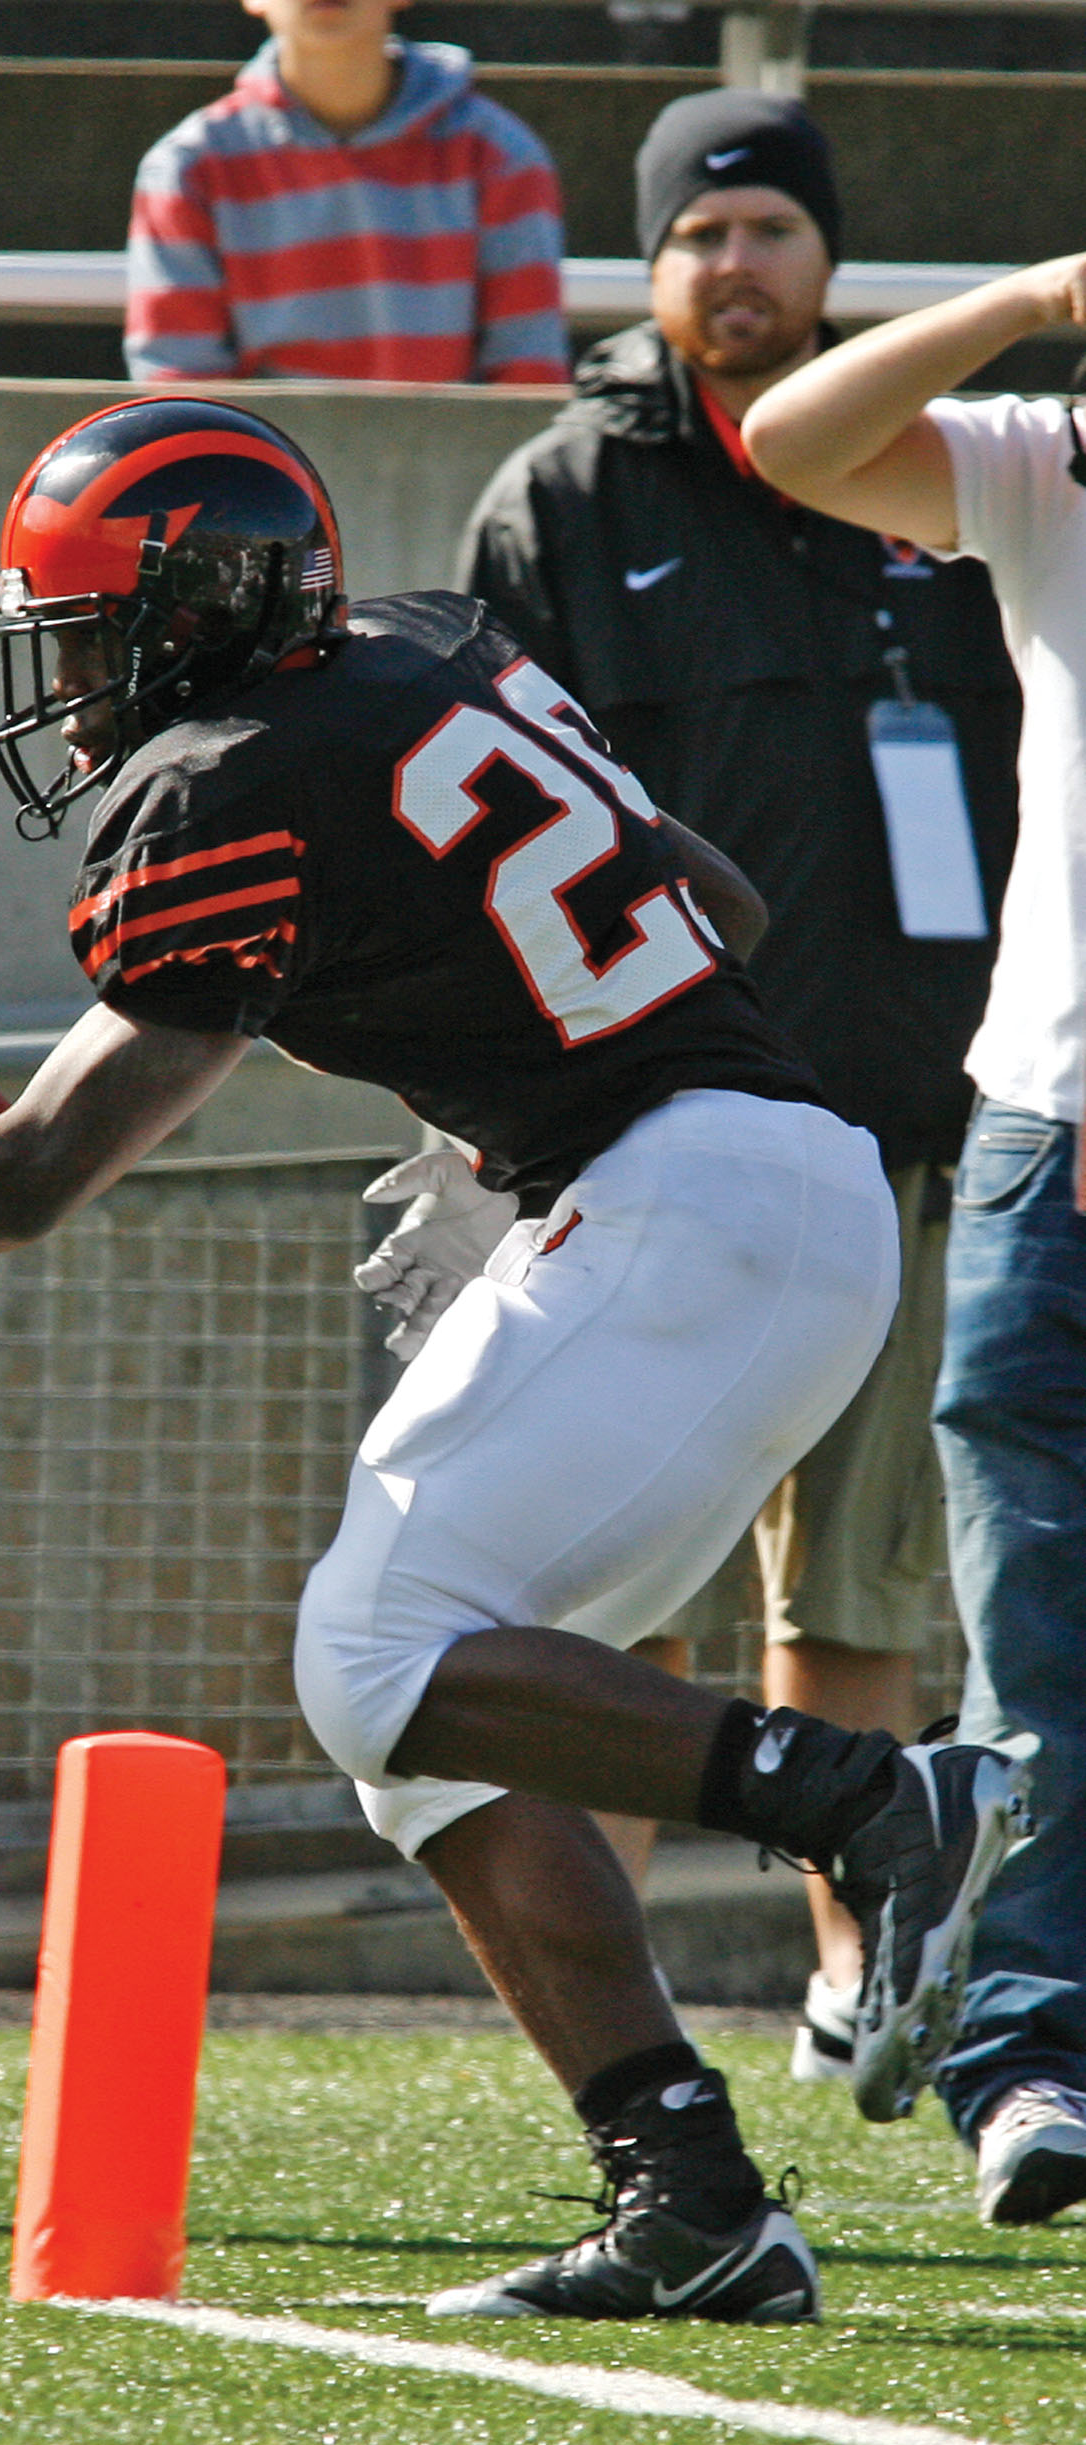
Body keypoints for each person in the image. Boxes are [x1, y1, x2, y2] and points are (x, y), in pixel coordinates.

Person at [0, 394, 1030, 2320]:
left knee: (378, 1653)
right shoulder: (420, 648)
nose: (65, 686)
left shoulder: (230, 778)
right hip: (756, 1196)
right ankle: (691, 2200)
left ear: (192, 612)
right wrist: (505, 1105)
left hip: (693, 1208)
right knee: (420, 1722)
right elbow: (717, 902)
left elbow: (35, 1170)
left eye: (85, 630)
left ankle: (876, 1804)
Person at [460, 90, 1020, 2084]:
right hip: (647, 1143)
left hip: (907, 1128)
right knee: (624, 1606)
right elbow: (474, 823)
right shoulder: (564, 502)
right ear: (646, 268)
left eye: (772, 229)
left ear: (833, 260)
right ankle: (612, 2019)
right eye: (698, 238)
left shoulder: (943, 483)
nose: (736, 267)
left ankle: (849, 1983)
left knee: (852, 1594)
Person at [746, 255, 1086, 2227]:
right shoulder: (1055, 466)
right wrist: (1037, 291)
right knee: (1034, 1640)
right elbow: (792, 438)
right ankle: (1030, 2054)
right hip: (1053, 1136)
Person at [125, 0, 567, 386]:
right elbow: (179, 385)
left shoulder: (499, 155)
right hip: (256, 474)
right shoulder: (187, 168)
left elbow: (527, 377)